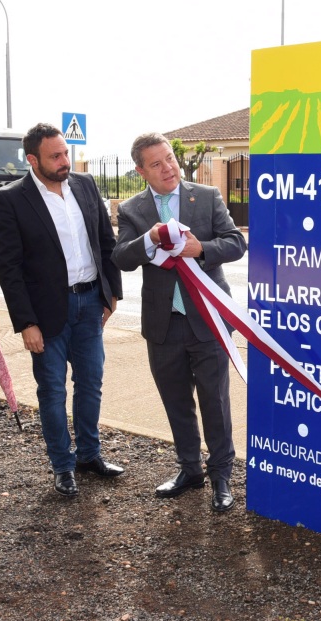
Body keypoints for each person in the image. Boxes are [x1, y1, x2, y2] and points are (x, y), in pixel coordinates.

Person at [112, 132, 247, 512]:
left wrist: (200, 248)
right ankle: (190, 470)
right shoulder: (132, 210)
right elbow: (121, 257)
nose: (168, 167)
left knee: (215, 402)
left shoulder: (206, 197)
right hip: (163, 326)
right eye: (156, 164)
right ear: (141, 171)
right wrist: (150, 239)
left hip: (208, 321)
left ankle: (221, 476)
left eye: (169, 158)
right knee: (176, 402)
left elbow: (236, 243)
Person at [0, 123, 124, 498]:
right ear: (33, 160)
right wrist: (26, 322)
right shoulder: (11, 199)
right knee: (52, 391)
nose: (65, 161)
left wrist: (111, 294)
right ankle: (63, 466)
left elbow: (106, 242)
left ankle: (89, 455)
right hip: (46, 312)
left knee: (91, 384)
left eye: (66, 153)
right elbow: (9, 267)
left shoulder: (85, 185)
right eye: (55, 156)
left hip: (90, 302)